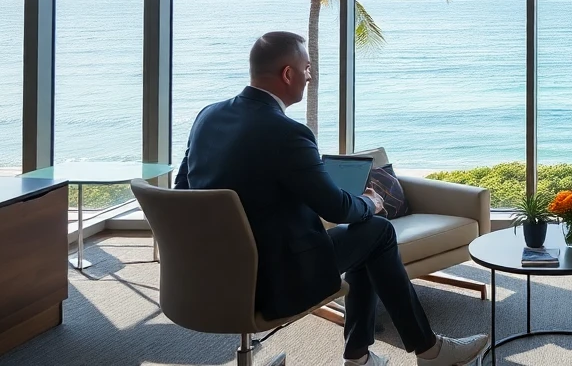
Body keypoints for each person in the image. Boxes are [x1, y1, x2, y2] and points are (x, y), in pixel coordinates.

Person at [175, 31, 488, 366]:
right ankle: (428, 351)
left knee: (365, 237)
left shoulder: (207, 116)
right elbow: (337, 209)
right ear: (287, 74)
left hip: (209, 275)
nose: (310, 76)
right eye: (307, 68)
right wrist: (370, 201)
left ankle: (361, 357)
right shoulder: (288, 133)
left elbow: (181, 192)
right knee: (377, 229)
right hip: (274, 281)